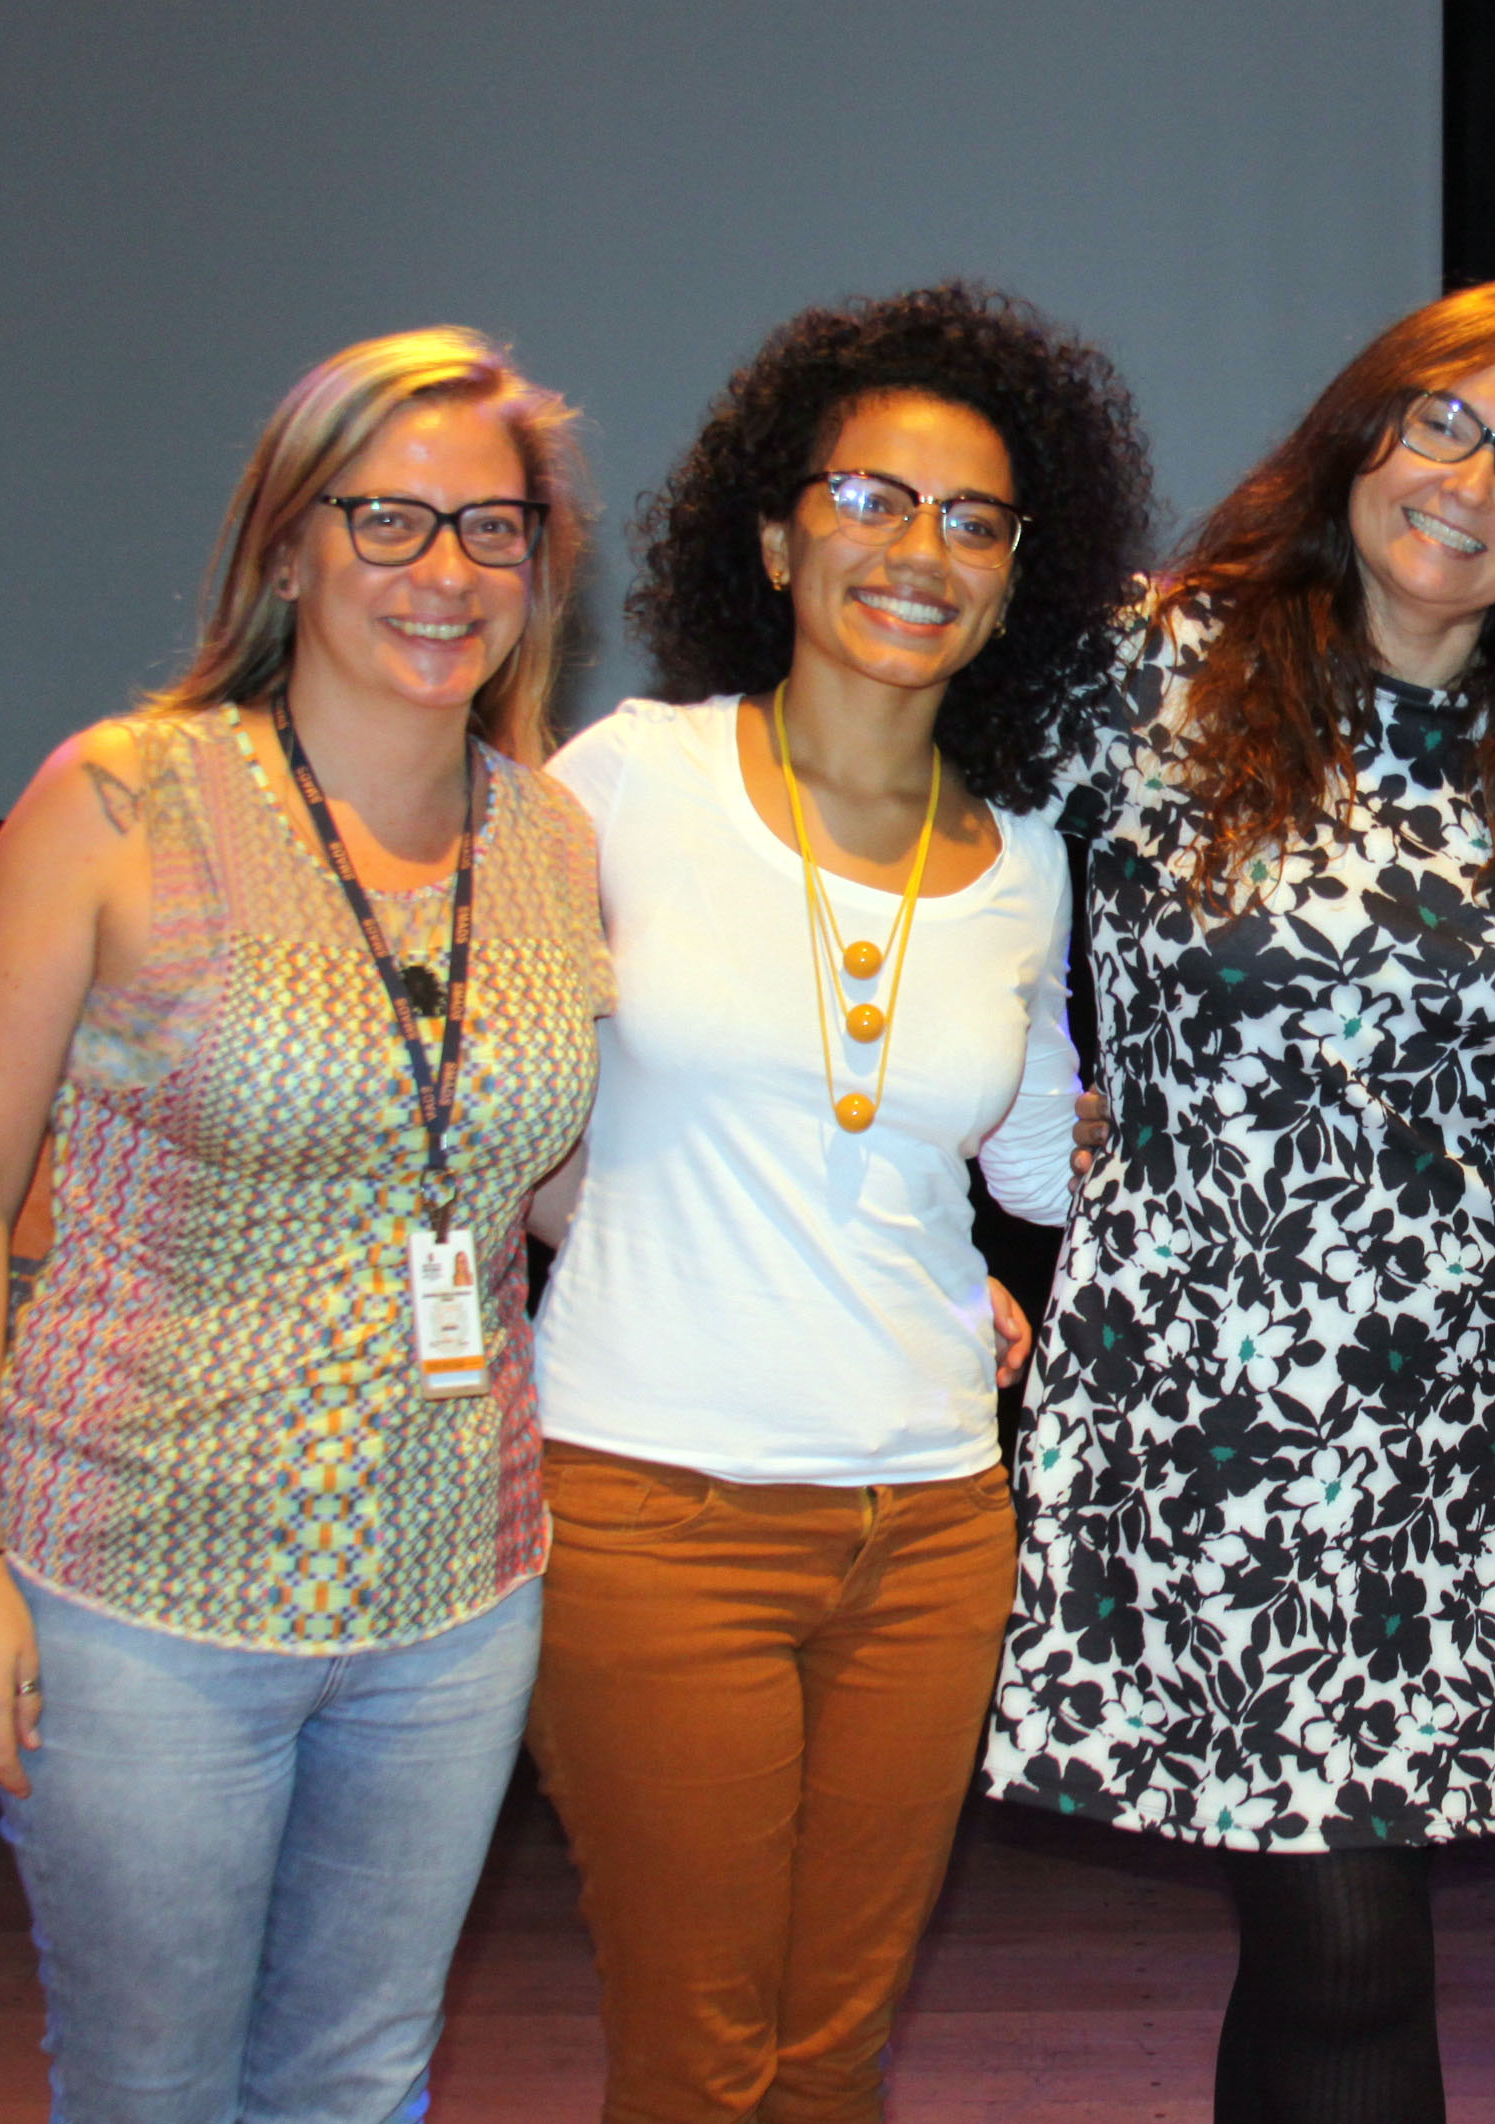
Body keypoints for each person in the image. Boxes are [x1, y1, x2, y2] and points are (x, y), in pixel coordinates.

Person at [0, 328, 609, 2122]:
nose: (444, 575)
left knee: (362, 2080)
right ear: (287, 544)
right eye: (387, 522)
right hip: (137, 1589)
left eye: (492, 529)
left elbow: (536, 1180)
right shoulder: (121, 800)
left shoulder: (551, 842)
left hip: (457, 1588)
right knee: (150, 2091)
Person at [981, 278, 1495, 2121]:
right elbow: (955, 898)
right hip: (1213, 1401)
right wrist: (1005, 1141)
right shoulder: (1157, 664)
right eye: (1443, 422)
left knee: (1326, 1944)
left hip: (1463, 1416)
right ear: (1361, 434)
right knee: (1345, 1939)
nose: (1474, 479)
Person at [516, 284, 1149, 2124]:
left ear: (1020, 579)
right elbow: (481, 1069)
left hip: (936, 1524)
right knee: (699, 2061)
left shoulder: (1027, 857)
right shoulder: (628, 780)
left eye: (973, 521)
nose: (919, 550)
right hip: (656, 1507)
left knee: (833, 2057)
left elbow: (1031, 1166)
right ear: (780, 531)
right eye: (873, 499)